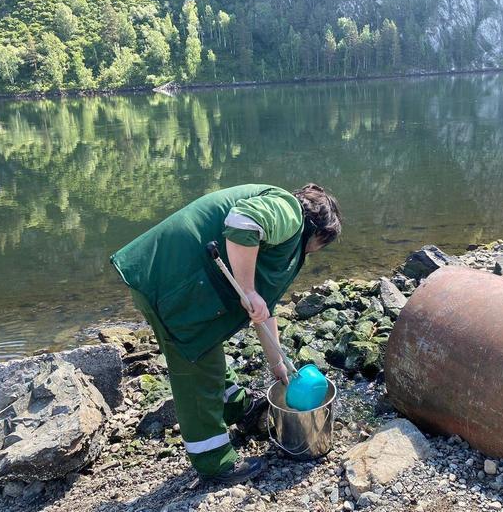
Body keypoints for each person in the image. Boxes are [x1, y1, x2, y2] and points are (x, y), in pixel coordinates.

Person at [110, 183, 342, 484]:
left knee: (207, 349)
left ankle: (239, 409)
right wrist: (247, 290)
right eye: (324, 243)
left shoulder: (284, 243)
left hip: (182, 283)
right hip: (168, 278)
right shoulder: (288, 211)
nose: (319, 251)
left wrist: (277, 364)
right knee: (196, 369)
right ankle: (215, 462)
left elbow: (264, 308)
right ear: (321, 231)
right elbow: (242, 222)